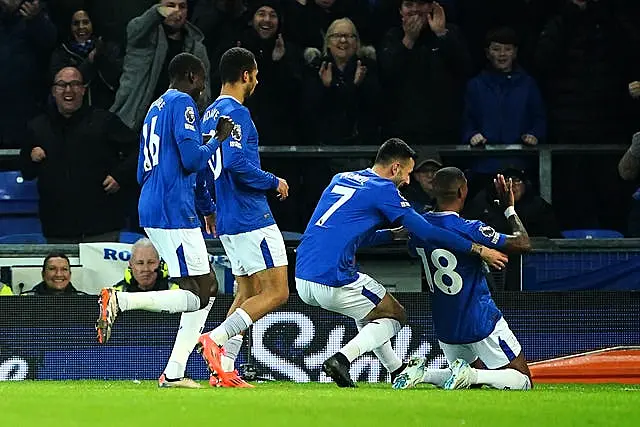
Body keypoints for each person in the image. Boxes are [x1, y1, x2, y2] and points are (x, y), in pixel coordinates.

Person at [294, 139, 509, 387]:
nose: (408, 181)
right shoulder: (383, 189)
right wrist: (478, 248)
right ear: (395, 168)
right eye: (407, 173)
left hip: (302, 278)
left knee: (373, 313)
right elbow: (427, 232)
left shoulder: (341, 178)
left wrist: (390, 235)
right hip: (333, 277)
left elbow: (348, 236)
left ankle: (396, 370)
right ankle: (342, 359)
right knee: (395, 314)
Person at [95, 52, 233, 390]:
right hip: (173, 207)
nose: (203, 90)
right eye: (201, 80)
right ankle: (121, 300)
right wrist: (217, 138)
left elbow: (143, 167)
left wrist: (203, 205)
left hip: (156, 202)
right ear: (190, 75)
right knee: (199, 293)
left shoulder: (154, 108)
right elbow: (191, 160)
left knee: (207, 288)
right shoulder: (184, 104)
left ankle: (173, 372)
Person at [392, 167, 533, 390]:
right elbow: (523, 243)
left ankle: (423, 374)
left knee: (467, 386)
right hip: (480, 319)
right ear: (462, 192)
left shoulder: (418, 228)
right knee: (523, 380)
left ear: (434, 191)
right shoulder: (471, 229)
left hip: (446, 324)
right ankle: (470, 374)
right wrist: (509, 209)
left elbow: (411, 245)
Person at [198, 47, 290, 387]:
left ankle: (225, 368)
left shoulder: (207, 115)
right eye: (256, 74)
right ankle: (216, 339)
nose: (257, 80)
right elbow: (236, 165)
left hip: (226, 217)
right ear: (247, 75)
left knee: (248, 291)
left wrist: (209, 208)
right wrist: (273, 181)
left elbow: (202, 170)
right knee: (278, 292)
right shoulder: (237, 114)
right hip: (251, 216)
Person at [19, 66, 138, 243]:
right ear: (53, 91)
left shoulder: (104, 121)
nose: (69, 90)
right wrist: (31, 157)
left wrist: (119, 176)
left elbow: (139, 149)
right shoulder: (38, 127)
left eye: (75, 84)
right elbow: (26, 172)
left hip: (102, 227)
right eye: (62, 84)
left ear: (83, 90)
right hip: (57, 230)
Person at [113, 238, 180, 292]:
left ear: (159, 264)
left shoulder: (176, 291)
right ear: (130, 264)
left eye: (151, 262)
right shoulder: (117, 293)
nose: (146, 269)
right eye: (140, 263)